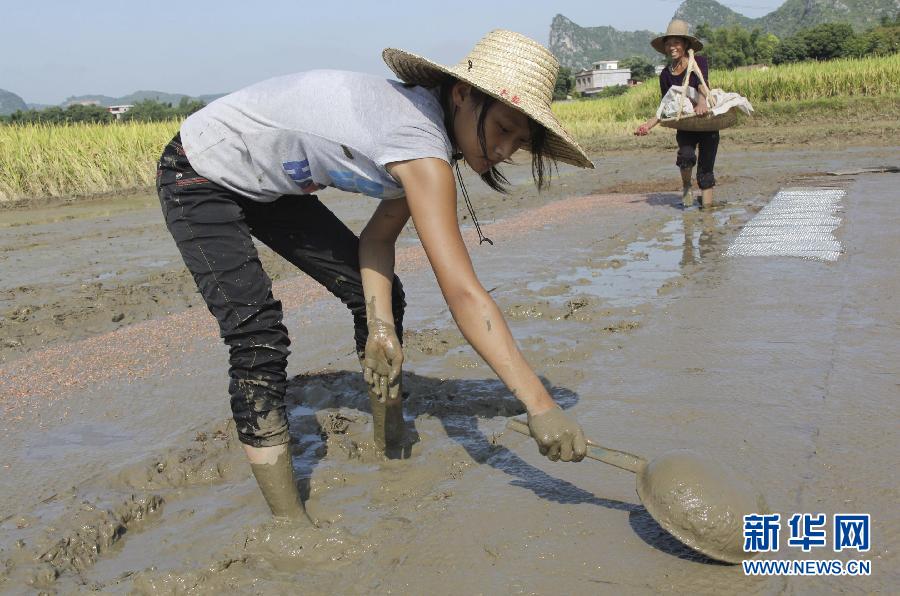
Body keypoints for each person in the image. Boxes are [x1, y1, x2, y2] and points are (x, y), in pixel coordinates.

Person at [156, 30, 592, 521]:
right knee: (258, 337)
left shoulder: (432, 140)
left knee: (382, 296)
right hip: (199, 170)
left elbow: (378, 241)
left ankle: (391, 440)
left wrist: (380, 325)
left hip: (273, 189)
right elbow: (465, 295)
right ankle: (289, 523)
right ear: (462, 94)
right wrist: (539, 405)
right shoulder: (418, 144)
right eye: (505, 128)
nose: (507, 149)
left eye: (520, 140)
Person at [634, 20, 720, 209]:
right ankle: (687, 185)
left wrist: (703, 103)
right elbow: (666, 104)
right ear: (664, 47)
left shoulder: (698, 62)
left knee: (705, 172)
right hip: (685, 124)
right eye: (668, 43)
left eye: (676, 42)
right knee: (686, 156)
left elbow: (701, 84)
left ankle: (707, 215)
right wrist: (648, 125)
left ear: (686, 44)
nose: (672, 47)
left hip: (706, 122)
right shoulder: (665, 74)